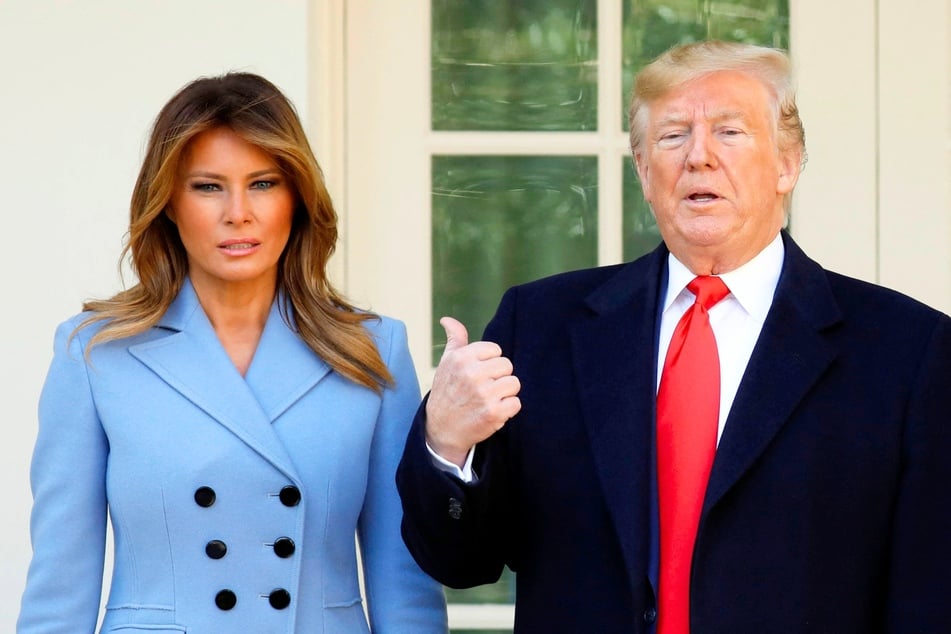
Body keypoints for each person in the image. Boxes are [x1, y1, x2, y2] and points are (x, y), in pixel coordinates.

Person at [396, 40, 951, 633]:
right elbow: (461, 560)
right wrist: (447, 443)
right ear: (642, 169)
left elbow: (929, 595)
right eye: (672, 136)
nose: (699, 156)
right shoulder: (539, 324)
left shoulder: (910, 352)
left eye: (730, 132)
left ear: (788, 163)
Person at [18, 72, 447, 633]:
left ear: (297, 198)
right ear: (168, 202)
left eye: (264, 183)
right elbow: (59, 587)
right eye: (208, 186)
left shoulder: (372, 350)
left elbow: (405, 586)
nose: (238, 212)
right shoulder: (97, 352)